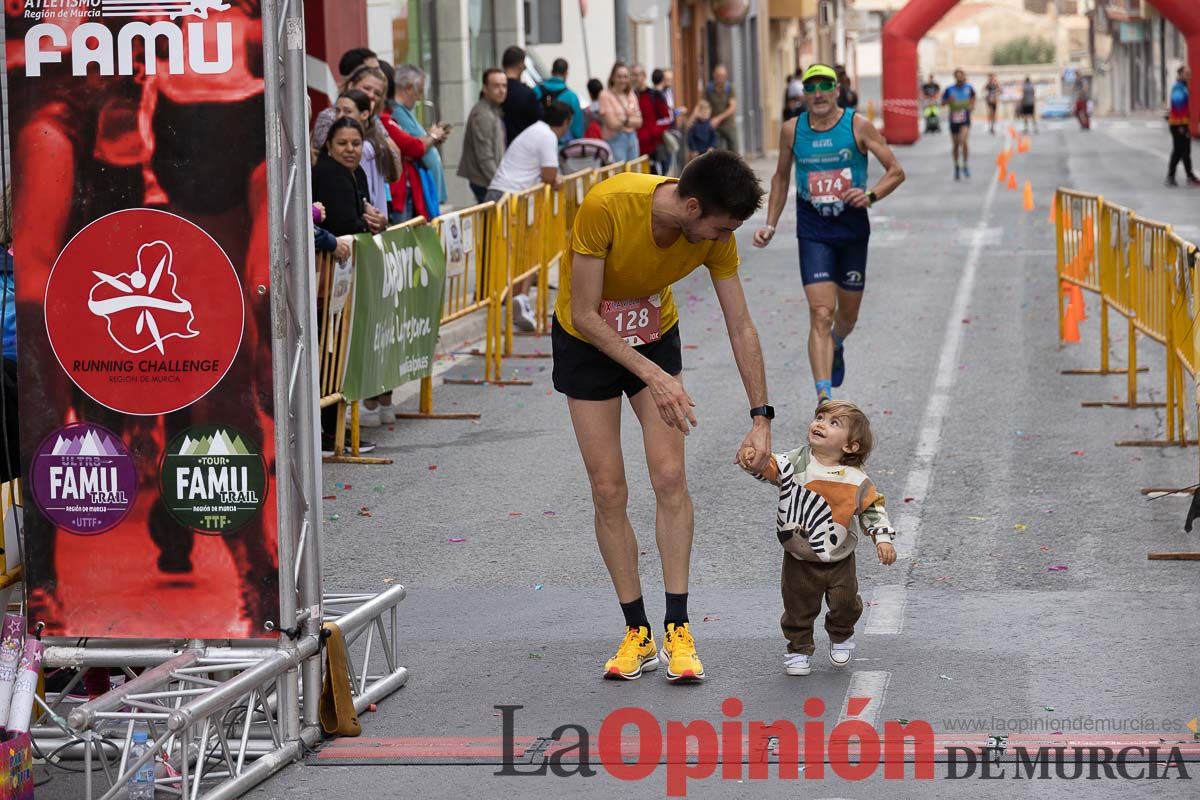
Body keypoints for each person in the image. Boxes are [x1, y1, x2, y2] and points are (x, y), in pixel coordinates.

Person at [552, 151, 771, 682]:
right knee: (608, 490)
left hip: (654, 337)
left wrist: (761, 416)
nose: (724, 238)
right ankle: (636, 632)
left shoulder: (717, 235)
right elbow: (585, 313)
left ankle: (678, 626)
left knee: (670, 477)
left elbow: (740, 325)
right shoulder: (608, 206)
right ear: (692, 207)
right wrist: (654, 376)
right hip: (587, 343)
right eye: (720, 227)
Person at [753, 64, 905, 403]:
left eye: (825, 86)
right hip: (813, 228)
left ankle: (837, 343)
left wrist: (870, 195)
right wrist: (770, 224)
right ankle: (824, 397)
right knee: (821, 312)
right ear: (804, 93)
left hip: (851, 227)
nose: (818, 93)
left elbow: (896, 171)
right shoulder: (792, 130)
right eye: (811, 87)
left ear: (837, 90)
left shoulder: (857, 125)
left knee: (847, 317)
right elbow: (780, 177)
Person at [737, 400, 896, 676]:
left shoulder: (856, 479)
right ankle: (798, 648)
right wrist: (754, 460)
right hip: (800, 555)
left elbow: (871, 508)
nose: (820, 423)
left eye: (834, 423)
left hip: (839, 557)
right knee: (797, 603)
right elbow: (772, 467)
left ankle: (841, 633)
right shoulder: (796, 462)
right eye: (820, 417)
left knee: (845, 601)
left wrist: (882, 538)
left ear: (850, 446)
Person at [486, 102, 574, 331]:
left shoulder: (536, 130)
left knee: (526, 250)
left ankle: (520, 298)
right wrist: (556, 180)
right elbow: (549, 174)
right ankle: (514, 298)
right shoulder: (547, 136)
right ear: (565, 123)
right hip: (511, 196)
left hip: (506, 193)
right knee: (524, 250)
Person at [392, 64, 451, 217]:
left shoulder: (405, 111)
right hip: (414, 191)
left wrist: (432, 137)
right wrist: (433, 136)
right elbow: (413, 147)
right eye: (419, 91)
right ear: (409, 88)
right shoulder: (397, 112)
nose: (419, 97)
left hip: (427, 192)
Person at [458, 68, 508, 204]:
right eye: (496, 86)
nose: (502, 90)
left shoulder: (493, 109)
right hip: (486, 183)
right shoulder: (483, 114)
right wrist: (501, 184)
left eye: (504, 85)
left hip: (491, 181)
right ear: (485, 89)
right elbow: (485, 157)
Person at [599, 62, 642, 163]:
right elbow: (612, 124)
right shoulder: (605, 95)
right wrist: (631, 120)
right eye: (619, 77)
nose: (622, 80)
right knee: (619, 174)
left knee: (633, 174)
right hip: (615, 140)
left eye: (625, 77)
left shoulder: (631, 94)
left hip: (632, 138)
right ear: (613, 77)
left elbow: (639, 122)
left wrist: (624, 119)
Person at [631, 64, 671, 171]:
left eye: (637, 75)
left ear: (644, 76)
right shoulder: (630, 96)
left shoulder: (654, 95)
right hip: (634, 148)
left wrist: (651, 132)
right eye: (633, 75)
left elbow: (667, 119)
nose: (635, 78)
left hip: (653, 149)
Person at [535, 58, 584, 142]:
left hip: (538, 140)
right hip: (562, 146)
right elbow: (577, 130)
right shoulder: (572, 97)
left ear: (551, 71)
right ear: (566, 74)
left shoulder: (536, 90)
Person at [501, 46, 541, 145]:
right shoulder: (527, 94)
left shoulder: (491, 92)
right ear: (521, 65)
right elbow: (538, 124)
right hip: (521, 149)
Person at [942, 68, 976, 180]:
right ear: (955, 77)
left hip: (965, 119)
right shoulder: (949, 89)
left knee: (963, 141)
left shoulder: (969, 88)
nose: (960, 78)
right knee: (956, 145)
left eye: (961, 76)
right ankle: (956, 166)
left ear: (964, 77)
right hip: (953, 120)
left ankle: (965, 164)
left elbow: (973, 97)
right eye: (957, 76)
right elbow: (942, 103)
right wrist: (948, 101)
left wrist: (971, 106)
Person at [1167, 66, 1199, 187]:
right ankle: (1170, 176)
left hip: (1182, 123)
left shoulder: (1183, 87)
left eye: (1189, 73)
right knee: (1178, 150)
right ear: (1180, 74)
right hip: (1178, 124)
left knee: (1186, 151)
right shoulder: (1178, 88)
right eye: (1186, 73)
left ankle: (1189, 176)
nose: (1189, 75)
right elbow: (1177, 106)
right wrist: (1181, 126)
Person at [705, 64, 738, 151]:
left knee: (734, 150)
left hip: (728, 124)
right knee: (716, 151)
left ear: (726, 76)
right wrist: (692, 120)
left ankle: (734, 165)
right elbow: (702, 105)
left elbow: (732, 108)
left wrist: (718, 119)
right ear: (714, 75)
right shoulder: (709, 88)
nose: (720, 77)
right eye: (718, 75)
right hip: (715, 126)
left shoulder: (729, 88)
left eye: (723, 75)